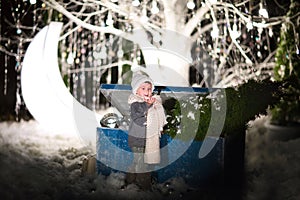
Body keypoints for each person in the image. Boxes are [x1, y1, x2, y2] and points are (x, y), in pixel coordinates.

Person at [125, 71, 167, 190]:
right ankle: (144, 186)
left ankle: (130, 180)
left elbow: (154, 118)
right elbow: (137, 116)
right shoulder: (135, 103)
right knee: (142, 164)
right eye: (143, 88)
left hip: (146, 139)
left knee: (138, 161)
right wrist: (147, 105)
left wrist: (158, 127)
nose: (147, 91)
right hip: (138, 139)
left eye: (149, 88)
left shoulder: (150, 102)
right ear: (136, 91)